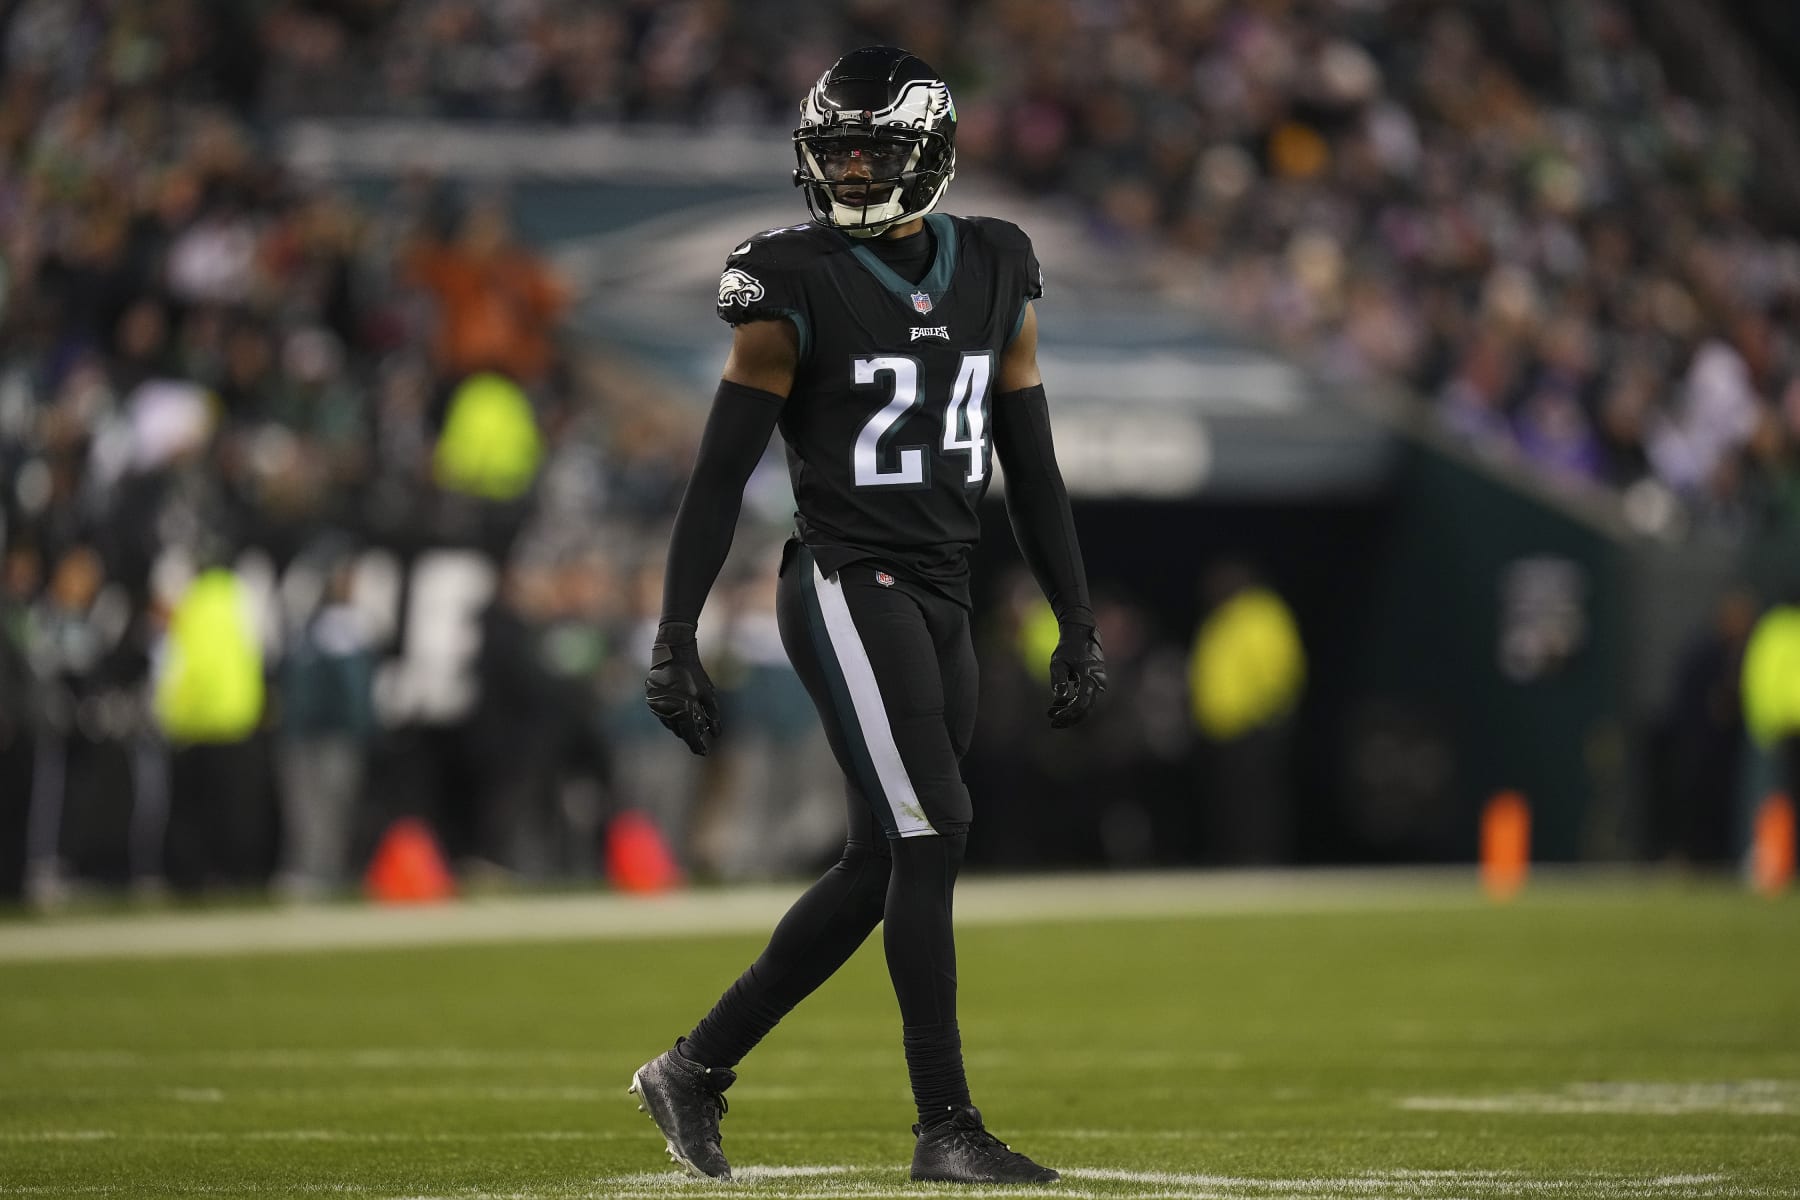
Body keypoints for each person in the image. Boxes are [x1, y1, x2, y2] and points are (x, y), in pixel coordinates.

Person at [628, 46, 1104, 1186]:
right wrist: (675, 628)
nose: (846, 169)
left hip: (943, 585)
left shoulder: (997, 262)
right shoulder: (791, 281)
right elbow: (717, 474)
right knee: (935, 828)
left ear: (929, 155)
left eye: (869, 150)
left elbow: (1029, 467)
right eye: (832, 150)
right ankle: (946, 1126)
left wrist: (1073, 618)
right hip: (846, 578)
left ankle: (693, 1070)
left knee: (880, 862)